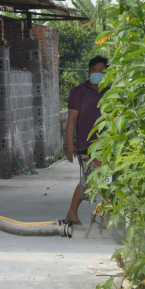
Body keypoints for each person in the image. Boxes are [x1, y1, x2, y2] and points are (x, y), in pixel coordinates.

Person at [64, 55, 108, 229]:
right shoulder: (78, 92)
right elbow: (72, 120)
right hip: (87, 145)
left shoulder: (111, 91)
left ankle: (104, 217)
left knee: (106, 180)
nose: (97, 74)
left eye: (101, 71)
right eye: (94, 70)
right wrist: (69, 145)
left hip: (109, 145)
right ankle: (72, 213)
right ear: (88, 72)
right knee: (90, 180)